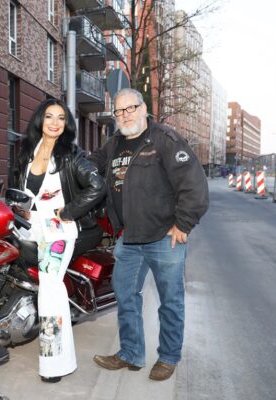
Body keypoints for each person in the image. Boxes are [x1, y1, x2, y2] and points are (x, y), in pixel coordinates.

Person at [88, 88, 209, 381]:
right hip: (129, 238)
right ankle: (131, 353)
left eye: (130, 108)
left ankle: (168, 357)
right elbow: (90, 165)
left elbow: (194, 186)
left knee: (170, 301)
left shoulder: (165, 139)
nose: (125, 115)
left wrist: (183, 225)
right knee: (125, 296)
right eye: (119, 111)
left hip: (163, 237)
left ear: (143, 108)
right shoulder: (114, 144)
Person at [14, 98, 105, 383]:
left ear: (67, 124)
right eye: (49, 116)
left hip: (58, 231)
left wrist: (68, 211)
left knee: (50, 289)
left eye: (61, 118)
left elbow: (97, 186)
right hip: (29, 227)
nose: (55, 123)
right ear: (40, 120)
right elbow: (21, 190)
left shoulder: (71, 155)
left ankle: (55, 361)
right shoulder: (26, 151)